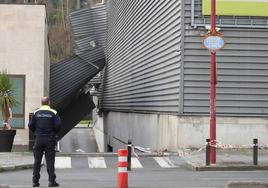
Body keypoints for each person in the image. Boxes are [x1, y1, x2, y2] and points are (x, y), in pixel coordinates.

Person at [28, 97, 62, 187]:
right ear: (49, 103)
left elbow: (31, 125)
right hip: (49, 139)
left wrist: (36, 132)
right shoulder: (54, 113)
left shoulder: (36, 113)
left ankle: (35, 182)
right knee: (50, 161)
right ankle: (51, 181)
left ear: (41, 103)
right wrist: (53, 132)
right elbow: (58, 126)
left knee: (37, 161)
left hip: (38, 139)